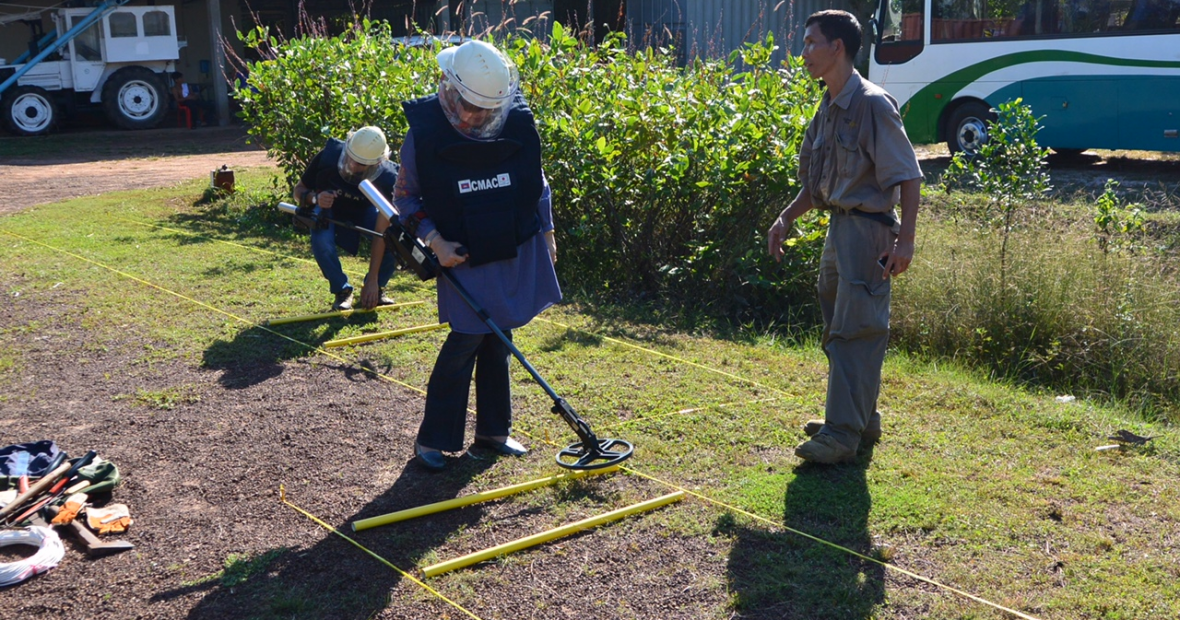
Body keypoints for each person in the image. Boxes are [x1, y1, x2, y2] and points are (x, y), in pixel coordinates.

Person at [393, 40, 560, 471]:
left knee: (500, 338)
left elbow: (535, 182)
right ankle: (434, 438)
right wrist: (435, 241)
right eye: (466, 105)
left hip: (511, 248)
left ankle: (492, 433)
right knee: (466, 338)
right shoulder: (425, 132)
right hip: (461, 255)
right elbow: (406, 198)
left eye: (483, 110)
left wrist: (547, 232)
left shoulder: (515, 124)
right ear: (448, 88)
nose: (472, 117)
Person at [767, 10, 922, 464]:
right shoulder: (829, 104)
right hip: (839, 230)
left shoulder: (873, 104)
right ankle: (860, 417)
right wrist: (786, 216)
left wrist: (906, 241)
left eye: (812, 43)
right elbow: (818, 182)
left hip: (868, 234)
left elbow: (909, 176)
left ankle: (840, 435)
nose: (805, 52)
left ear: (838, 47)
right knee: (839, 328)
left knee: (857, 331)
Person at [292, 126, 401, 310]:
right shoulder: (329, 156)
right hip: (328, 209)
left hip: (366, 212)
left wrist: (373, 279)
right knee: (321, 238)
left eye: (360, 164)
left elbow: (382, 232)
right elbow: (298, 190)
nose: (352, 165)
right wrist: (315, 198)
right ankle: (342, 291)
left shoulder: (388, 178)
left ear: (377, 163)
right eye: (350, 158)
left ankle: (377, 288)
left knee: (395, 238)